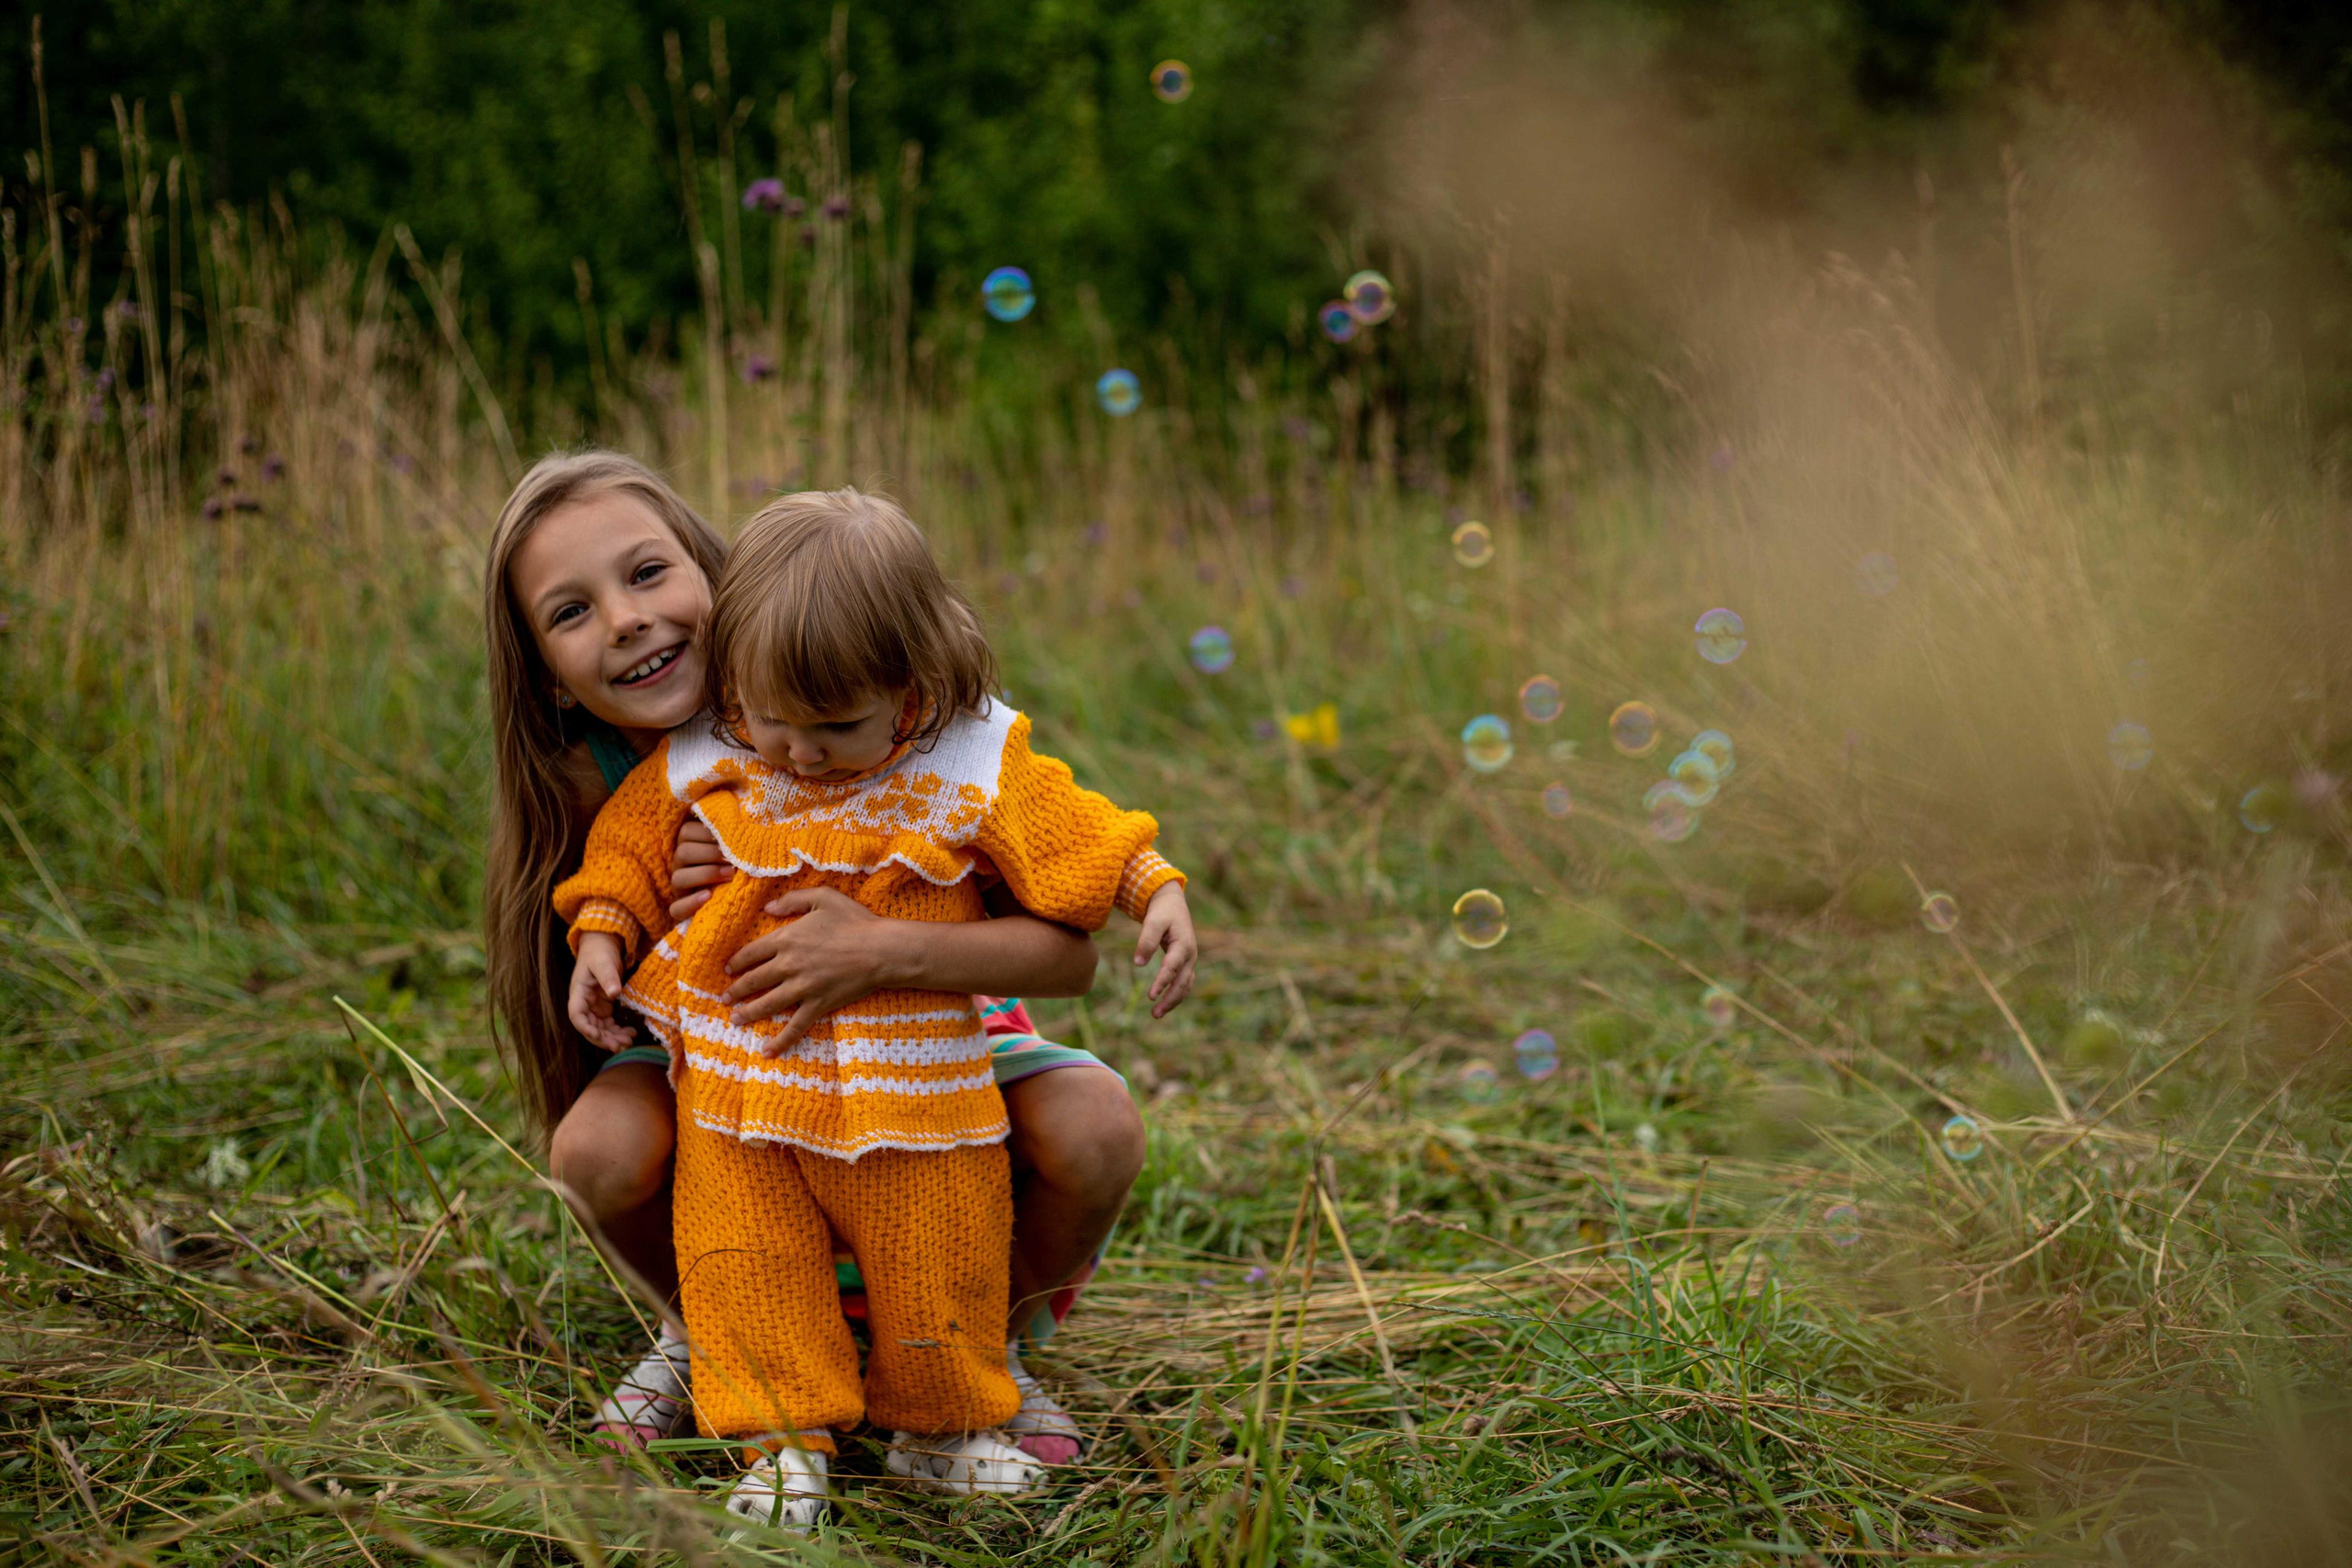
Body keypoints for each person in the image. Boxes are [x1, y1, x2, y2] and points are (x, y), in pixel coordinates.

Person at [481, 451, 1160, 1472]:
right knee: (597, 1153)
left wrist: (879, 945)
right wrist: (634, 922)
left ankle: (985, 1357)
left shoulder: (887, 707)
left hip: (923, 1033)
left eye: (648, 574)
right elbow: (608, 902)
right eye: (571, 612)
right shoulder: (590, 785)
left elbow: (1068, 955)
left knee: (1095, 1123)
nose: (624, 618)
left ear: (719, 576)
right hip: (715, 1060)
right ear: (542, 670)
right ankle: (708, 1329)